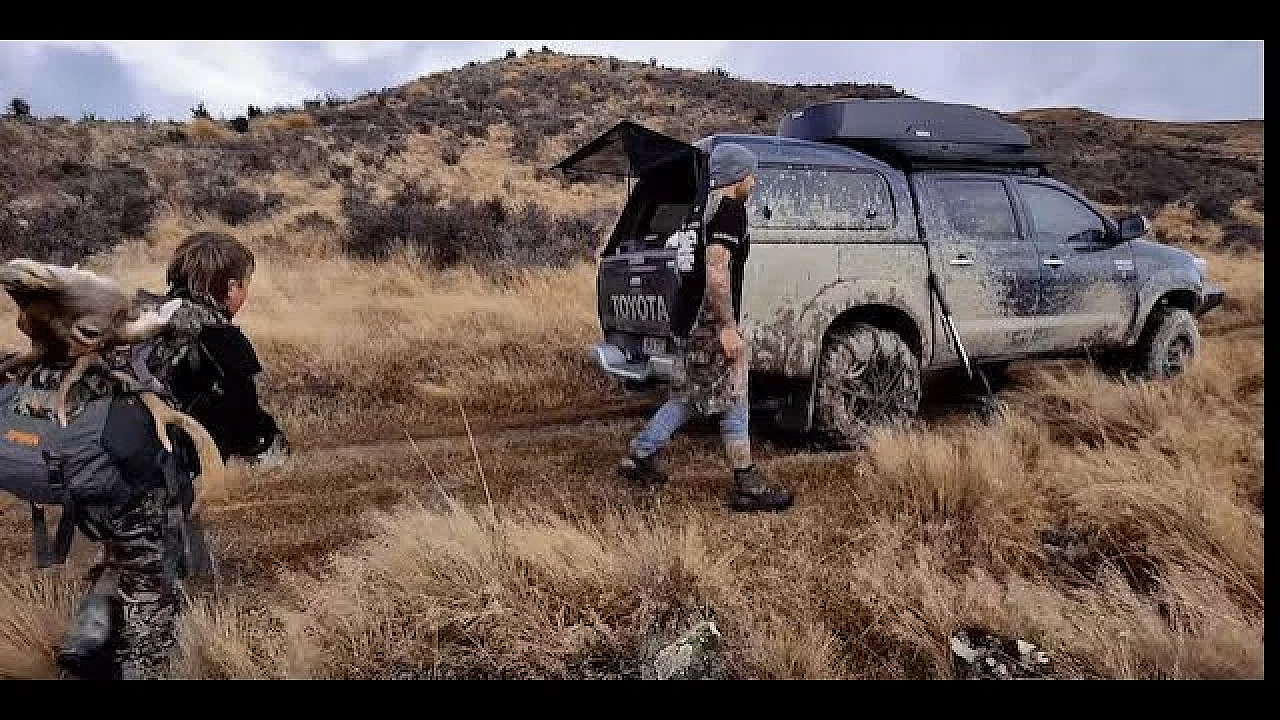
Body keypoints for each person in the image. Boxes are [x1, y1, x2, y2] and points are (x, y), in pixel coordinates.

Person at [618, 143, 794, 512]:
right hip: (710, 321)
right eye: (751, 174)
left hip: (689, 317)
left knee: (690, 396)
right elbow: (716, 270)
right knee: (734, 396)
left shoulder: (700, 210)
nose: (755, 180)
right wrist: (727, 327)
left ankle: (640, 455)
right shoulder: (730, 211)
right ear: (736, 177)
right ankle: (747, 484)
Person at [132, 231, 287, 467]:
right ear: (232, 288)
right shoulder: (225, 339)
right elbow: (245, 424)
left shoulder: (140, 314)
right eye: (246, 284)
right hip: (180, 456)